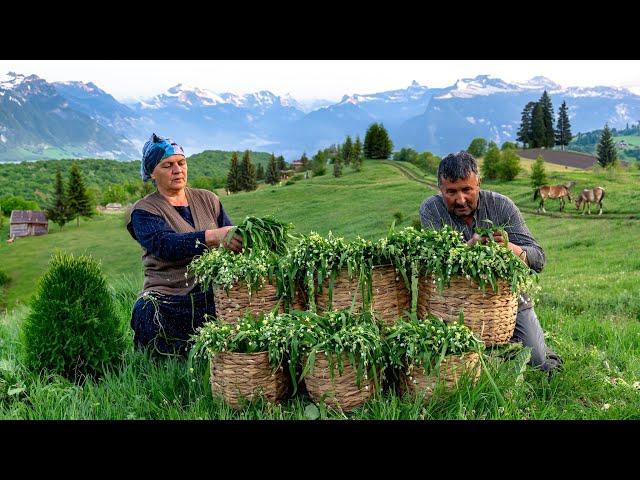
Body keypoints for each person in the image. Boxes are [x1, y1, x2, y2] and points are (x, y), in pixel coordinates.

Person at [419, 151, 562, 373]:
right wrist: (469, 249)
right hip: (455, 303)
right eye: (451, 192)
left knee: (539, 363)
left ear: (478, 184)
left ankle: (525, 344)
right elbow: (435, 262)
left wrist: (510, 248)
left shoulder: (501, 206)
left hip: (508, 301)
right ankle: (499, 352)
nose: (460, 199)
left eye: (467, 190)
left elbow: (538, 259)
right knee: (458, 368)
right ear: (440, 189)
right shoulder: (432, 210)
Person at [126, 133, 242, 356]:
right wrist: (213, 236)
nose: (177, 170)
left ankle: (213, 352)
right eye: (167, 165)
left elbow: (230, 240)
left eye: (181, 163)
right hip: (168, 295)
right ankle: (171, 359)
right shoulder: (144, 211)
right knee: (147, 312)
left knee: (236, 302)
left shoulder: (208, 199)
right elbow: (165, 245)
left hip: (208, 290)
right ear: (152, 172)